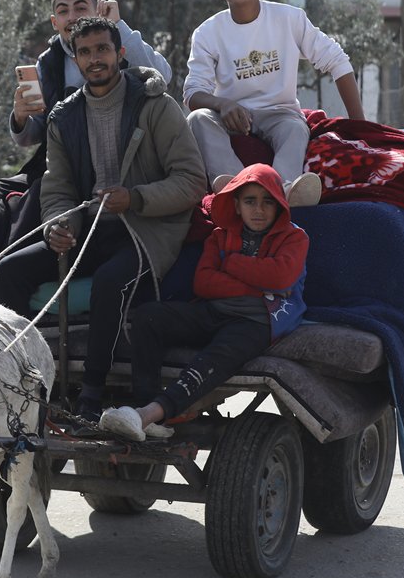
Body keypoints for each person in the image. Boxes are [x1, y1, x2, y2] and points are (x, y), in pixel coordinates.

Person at [0, 17, 207, 422]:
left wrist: (135, 198)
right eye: (86, 52)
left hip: (147, 229)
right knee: (11, 269)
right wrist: (60, 227)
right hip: (89, 228)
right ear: (75, 59)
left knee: (111, 280)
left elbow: (192, 181)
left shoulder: (155, 105)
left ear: (120, 54)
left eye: (103, 50)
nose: (95, 59)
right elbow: (57, 190)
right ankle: (16, 380)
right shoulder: (64, 117)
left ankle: (91, 393)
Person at [0, 0, 173, 285]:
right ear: (54, 22)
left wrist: (119, 26)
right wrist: (21, 117)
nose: (72, 16)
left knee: (40, 189)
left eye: (80, 8)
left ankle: (6, 261)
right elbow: (33, 135)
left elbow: (161, 77)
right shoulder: (47, 63)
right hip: (54, 157)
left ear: (97, 13)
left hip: (103, 163)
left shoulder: (112, 47)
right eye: (63, 11)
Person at [99, 164, 308, 441]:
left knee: (213, 359)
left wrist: (230, 263)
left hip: (258, 321)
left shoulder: (295, 237)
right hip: (214, 310)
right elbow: (204, 282)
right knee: (149, 317)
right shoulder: (219, 235)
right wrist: (258, 285)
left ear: (280, 205)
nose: (259, 209)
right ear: (236, 205)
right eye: (250, 201)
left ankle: (146, 415)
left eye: (268, 201)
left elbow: (280, 277)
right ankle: (145, 407)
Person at [183, 0, 365, 207]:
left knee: (295, 128)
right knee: (198, 119)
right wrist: (223, 105)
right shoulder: (207, 33)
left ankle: (284, 188)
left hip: (280, 113)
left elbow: (337, 60)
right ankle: (233, 186)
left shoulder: (289, 18)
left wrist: (361, 126)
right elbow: (192, 93)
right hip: (231, 117)